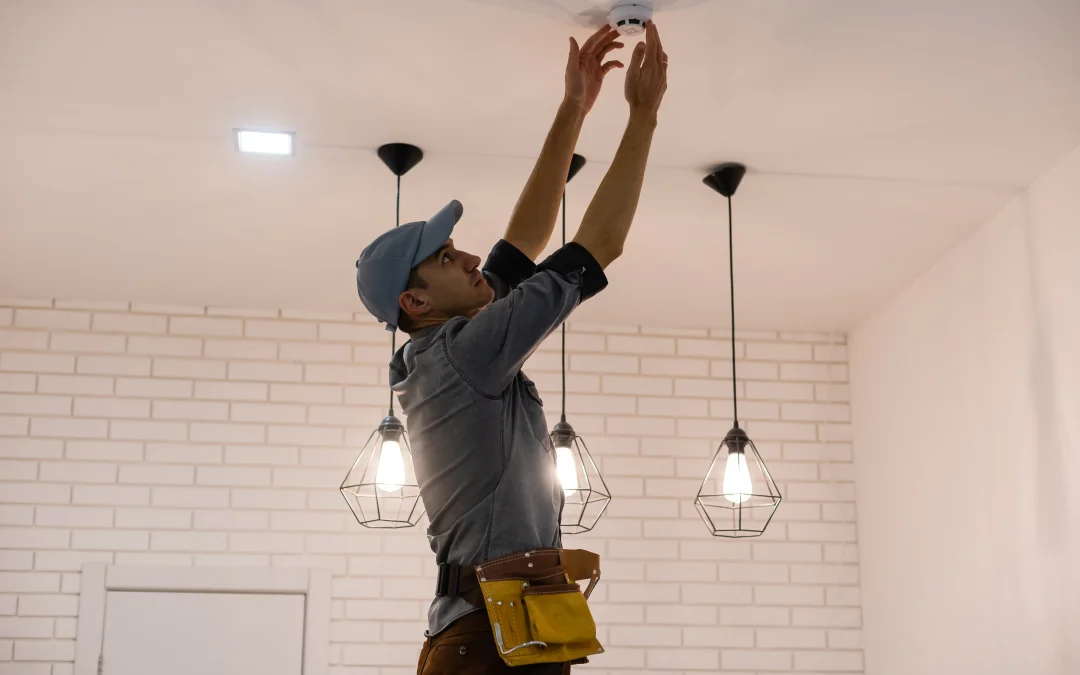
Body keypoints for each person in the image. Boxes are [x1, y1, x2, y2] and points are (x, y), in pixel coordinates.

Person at [354, 21, 668, 674]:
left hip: (493, 639)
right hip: (489, 648)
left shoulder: (447, 351)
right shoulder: (465, 352)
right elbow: (599, 244)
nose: (470, 256)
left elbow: (521, 242)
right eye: (446, 257)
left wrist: (575, 109)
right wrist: (644, 116)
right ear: (415, 301)